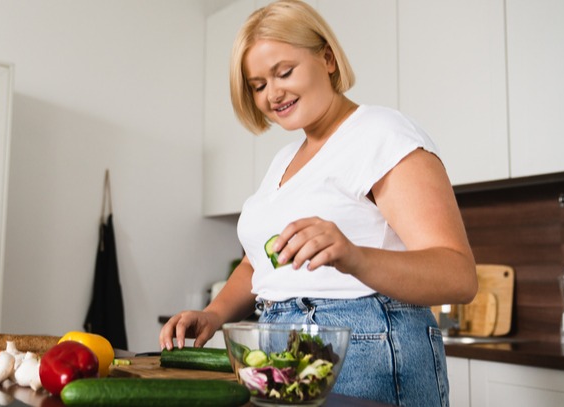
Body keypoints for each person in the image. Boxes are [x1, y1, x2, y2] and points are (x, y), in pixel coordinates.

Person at [159, 1, 477, 405]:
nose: (273, 93)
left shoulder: (381, 134)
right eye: (258, 85)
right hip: (279, 346)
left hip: (364, 346)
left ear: (327, 58)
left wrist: (354, 256)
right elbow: (260, 260)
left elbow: (459, 274)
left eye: (284, 72)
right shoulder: (283, 161)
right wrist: (215, 314)